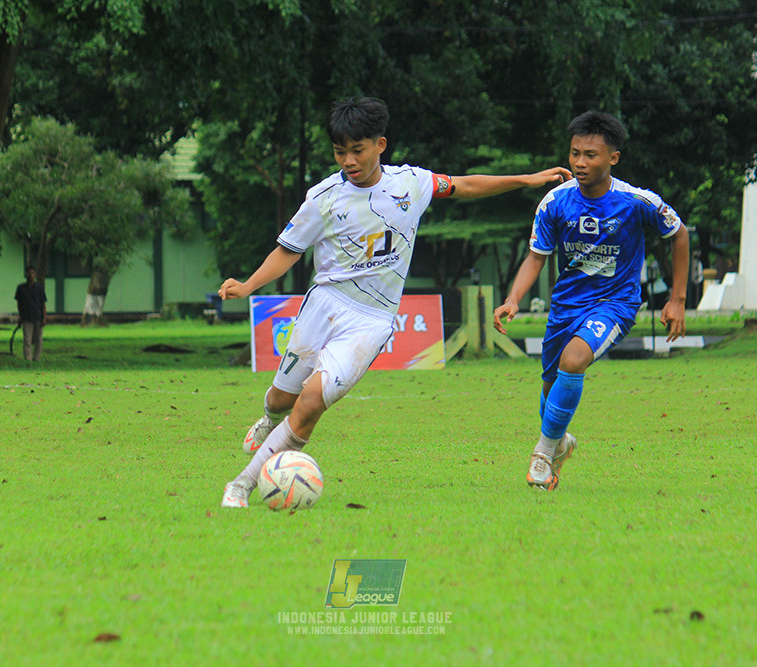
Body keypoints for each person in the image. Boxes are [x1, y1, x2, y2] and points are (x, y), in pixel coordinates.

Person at [219, 96, 571, 507]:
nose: (348, 160)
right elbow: (289, 250)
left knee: (311, 403)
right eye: (339, 152)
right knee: (282, 398)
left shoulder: (411, 183)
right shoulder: (324, 197)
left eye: (357, 149)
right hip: (324, 305)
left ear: (380, 145)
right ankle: (268, 420)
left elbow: (464, 184)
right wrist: (248, 285)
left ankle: (241, 485)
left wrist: (525, 180)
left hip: (370, 320)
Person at [493, 110, 690, 491]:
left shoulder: (636, 201)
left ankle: (543, 452)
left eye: (591, 155)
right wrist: (513, 299)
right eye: (574, 154)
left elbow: (679, 235)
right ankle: (561, 443)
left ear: (613, 158)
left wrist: (677, 299)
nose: (580, 163)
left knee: (574, 359)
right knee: (551, 386)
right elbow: (537, 256)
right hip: (567, 304)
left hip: (616, 302)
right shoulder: (555, 202)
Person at [14, 265, 47, 361]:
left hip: (38, 316)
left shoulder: (40, 288)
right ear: (26, 275)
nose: (30, 275)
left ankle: (37, 358)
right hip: (26, 317)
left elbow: (43, 303)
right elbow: (19, 303)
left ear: (35, 275)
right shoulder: (21, 288)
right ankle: (28, 357)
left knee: (38, 339)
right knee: (27, 339)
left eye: (32, 273)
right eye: (28, 273)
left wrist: (44, 317)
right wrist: (20, 316)